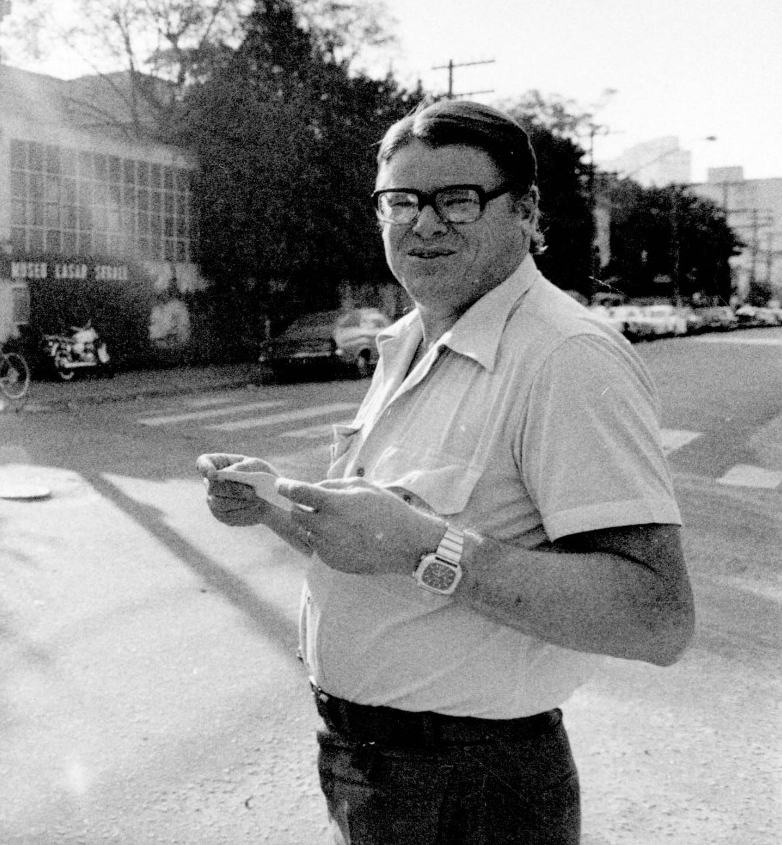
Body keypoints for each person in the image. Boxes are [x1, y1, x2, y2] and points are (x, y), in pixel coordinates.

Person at [199, 99, 694, 845]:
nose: (423, 223)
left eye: (457, 200)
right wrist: (274, 503)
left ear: (524, 210)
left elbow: (655, 618)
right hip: (374, 767)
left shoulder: (565, 356)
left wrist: (424, 549)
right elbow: (384, 533)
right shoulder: (408, 338)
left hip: (469, 790)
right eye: (400, 201)